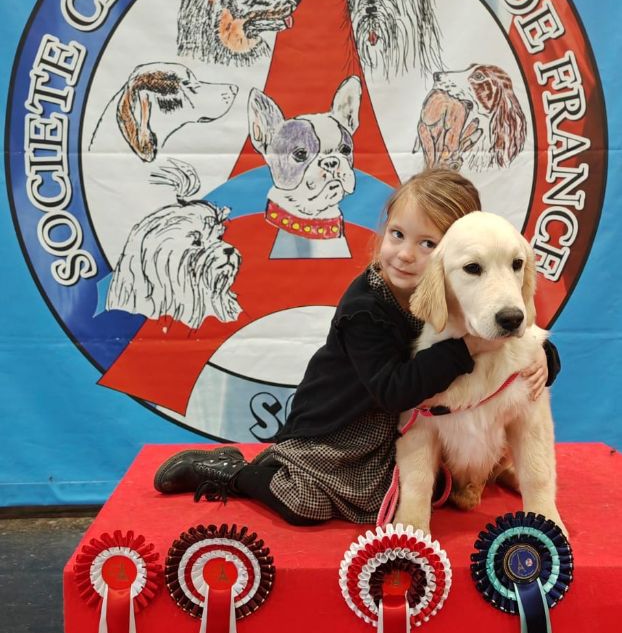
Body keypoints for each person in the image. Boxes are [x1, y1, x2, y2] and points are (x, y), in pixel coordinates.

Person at [153, 168, 560, 525]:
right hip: (339, 427)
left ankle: (479, 477)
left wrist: (543, 356)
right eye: (397, 235)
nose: (403, 254)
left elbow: (516, 339)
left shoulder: (461, 294)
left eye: (427, 244)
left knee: (423, 489)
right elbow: (393, 390)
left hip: (392, 430)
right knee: (305, 505)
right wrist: (468, 348)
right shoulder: (366, 307)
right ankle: (236, 472)